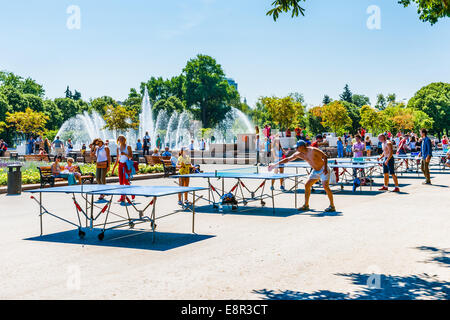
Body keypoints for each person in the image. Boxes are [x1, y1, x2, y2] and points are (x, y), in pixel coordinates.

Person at [268, 140, 336, 212]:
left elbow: (325, 157)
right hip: (315, 170)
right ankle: (306, 205)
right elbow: (287, 159)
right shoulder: (299, 154)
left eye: (297, 147)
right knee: (307, 185)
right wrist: (274, 165)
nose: (296, 149)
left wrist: (325, 168)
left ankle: (332, 206)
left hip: (323, 169)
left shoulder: (313, 150)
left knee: (325, 186)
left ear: (302, 146)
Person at [112, 135, 134, 203]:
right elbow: (117, 159)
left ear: (125, 139)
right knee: (121, 182)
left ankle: (132, 193)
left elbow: (131, 156)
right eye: (119, 139)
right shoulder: (118, 148)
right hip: (120, 165)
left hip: (126, 165)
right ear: (118, 140)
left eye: (122, 138)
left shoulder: (128, 147)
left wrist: (124, 154)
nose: (121, 140)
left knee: (125, 181)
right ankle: (122, 197)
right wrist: (113, 168)